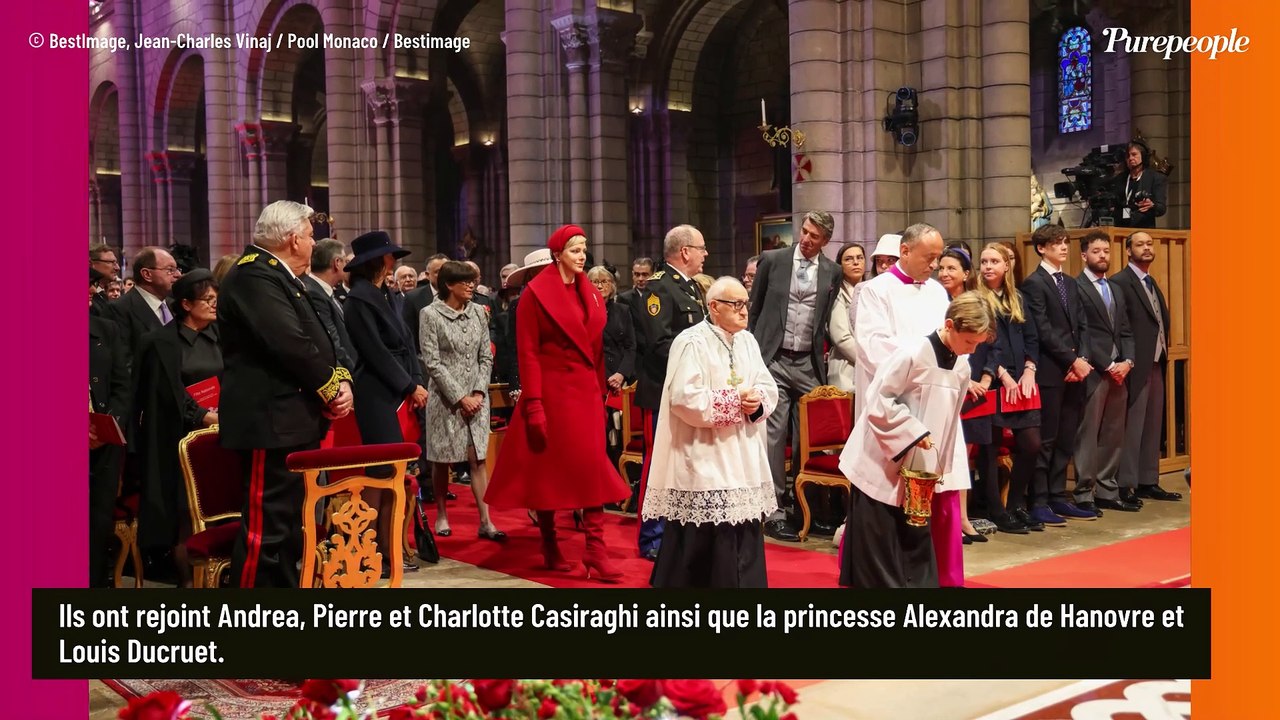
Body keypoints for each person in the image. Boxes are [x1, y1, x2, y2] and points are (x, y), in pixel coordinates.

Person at [485, 225, 631, 582]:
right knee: (546, 470)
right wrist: (533, 404)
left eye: (584, 249)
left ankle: (595, 549)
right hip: (550, 392)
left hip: (584, 393)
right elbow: (528, 353)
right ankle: (550, 542)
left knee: (591, 467)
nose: (582, 255)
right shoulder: (535, 295)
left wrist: (599, 393)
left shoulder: (592, 295)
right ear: (557, 254)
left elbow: (595, 349)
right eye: (574, 250)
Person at [219, 201, 354, 588]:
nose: (314, 244)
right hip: (269, 422)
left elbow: (323, 339)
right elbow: (289, 344)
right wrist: (330, 390)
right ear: (294, 239)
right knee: (268, 528)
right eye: (311, 236)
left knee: (290, 527)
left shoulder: (281, 276)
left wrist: (341, 381)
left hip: (292, 419)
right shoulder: (253, 276)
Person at [838, 292, 993, 588]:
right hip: (881, 461)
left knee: (916, 537)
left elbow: (949, 420)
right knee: (882, 542)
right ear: (950, 325)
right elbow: (878, 400)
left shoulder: (960, 366)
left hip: (919, 469)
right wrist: (913, 431)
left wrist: (937, 469)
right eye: (969, 342)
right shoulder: (912, 353)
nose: (971, 350)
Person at [851, 223, 970, 586]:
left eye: (938, 258)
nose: (935, 266)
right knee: (888, 495)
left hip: (939, 400)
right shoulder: (874, 290)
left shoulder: (937, 292)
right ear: (905, 252)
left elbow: (952, 341)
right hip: (895, 403)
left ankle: (934, 575)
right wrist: (923, 365)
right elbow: (872, 346)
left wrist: (948, 369)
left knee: (936, 486)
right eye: (928, 257)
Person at [644, 277, 779, 588]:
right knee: (704, 526)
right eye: (737, 304)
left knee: (743, 521)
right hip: (704, 450)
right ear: (715, 308)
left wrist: (756, 400)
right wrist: (734, 401)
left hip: (742, 451)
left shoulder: (747, 341)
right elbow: (682, 397)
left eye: (746, 304)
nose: (745, 311)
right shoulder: (691, 341)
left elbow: (767, 384)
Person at [748, 210, 840, 542]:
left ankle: (807, 508)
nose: (805, 239)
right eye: (804, 231)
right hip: (773, 357)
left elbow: (827, 317)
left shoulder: (833, 272)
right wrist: (752, 352)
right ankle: (774, 509)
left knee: (810, 437)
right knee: (774, 433)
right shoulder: (772, 260)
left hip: (808, 362)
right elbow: (754, 309)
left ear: (825, 241)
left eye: (814, 236)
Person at [342, 230, 430, 575]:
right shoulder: (359, 299)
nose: (395, 261)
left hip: (397, 388)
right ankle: (374, 552)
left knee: (395, 472)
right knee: (381, 472)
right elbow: (374, 352)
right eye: (391, 256)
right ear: (378, 261)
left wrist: (416, 382)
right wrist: (409, 385)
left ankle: (390, 547)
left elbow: (407, 344)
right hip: (376, 393)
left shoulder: (387, 295)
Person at [130, 269, 222, 585]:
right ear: (185, 304)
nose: (214, 304)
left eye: (215, 298)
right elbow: (166, 392)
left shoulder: (220, 334)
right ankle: (188, 583)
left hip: (221, 436)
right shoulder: (159, 342)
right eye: (207, 299)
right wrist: (202, 416)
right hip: (179, 438)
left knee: (222, 512)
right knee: (186, 515)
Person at [634, 225, 710, 559]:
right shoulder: (659, 288)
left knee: (684, 461)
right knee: (659, 462)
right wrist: (700, 363)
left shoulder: (690, 287)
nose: (706, 254)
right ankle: (652, 535)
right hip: (662, 391)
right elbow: (659, 343)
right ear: (685, 251)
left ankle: (679, 531)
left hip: (689, 389)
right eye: (702, 248)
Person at [419, 260, 504, 541]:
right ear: (448, 285)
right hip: (446, 399)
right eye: (465, 282)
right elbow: (432, 362)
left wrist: (479, 393)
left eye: (472, 281)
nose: (471, 286)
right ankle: (442, 514)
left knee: (478, 458)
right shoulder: (430, 314)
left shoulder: (479, 312)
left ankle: (486, 521)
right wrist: (460, 397)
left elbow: (485, 355)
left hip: (477, 399)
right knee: (442, 459)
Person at [1022, 225, 1095, 524]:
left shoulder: (1070, 281)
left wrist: (1084, 359)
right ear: (1042, 248)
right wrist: (1071, 361)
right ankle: (1038, 500)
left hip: (1075, 370)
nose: (1064, 247)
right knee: (1047, 438)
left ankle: (1056, 496)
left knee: (1067, 436)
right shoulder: (1033, 283)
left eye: (1065, 242)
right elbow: (1043, 330)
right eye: (1056, 243)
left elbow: (1083, 324)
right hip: (1052, 371)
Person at [974, 242, 1042, 534]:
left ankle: (1016, 504)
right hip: (992, 378)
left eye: (993, 261)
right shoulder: (977, 299)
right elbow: (984, 343)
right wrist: (1001, 374)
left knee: (1031, 444)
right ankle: (996, 509)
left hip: (1021, 380)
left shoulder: (1018, 298)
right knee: (988, 448)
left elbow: (1032, 338)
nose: (988, 266)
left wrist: (1029, 369)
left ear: (1006, 266)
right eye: (984, 262)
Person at [1111, 232, 1181, 502]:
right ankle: (1124, 483)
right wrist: (1124, 361)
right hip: (1134, 364)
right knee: (1132, 426)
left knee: (1153, 424)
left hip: (1156, 361)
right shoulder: (1120, 282)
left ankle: (1147, 479)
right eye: (1140, 244)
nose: (1146, 248)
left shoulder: (1151, 282)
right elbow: (1119, 327)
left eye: (1149, 244)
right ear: (1128, 251)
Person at [1074, 231, 1137, 514]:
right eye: (1096, 251)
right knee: (1088, 433)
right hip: (1096, 369)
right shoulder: (1076, 287)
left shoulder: (1116, 288)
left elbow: (1125, 330)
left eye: (1106, 251)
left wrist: (1128, 361)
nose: (1103, 256)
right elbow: (1082, 333)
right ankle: (1084, 492)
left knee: (1113, 432)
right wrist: (1108, 364)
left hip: (1119, 370)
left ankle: (1107, 489)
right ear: (1084, 255)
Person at [937, 244, 990, 545]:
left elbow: (986, 344)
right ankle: (950, 520)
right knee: (949, 453)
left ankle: (964, 519)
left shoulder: (974, 303)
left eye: (950, 268)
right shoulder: (935, 300)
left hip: (972, 384)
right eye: (940, 267)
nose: (944, 273)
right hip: (948, 384)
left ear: (966, 274)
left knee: (962, 455)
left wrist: (983, 376)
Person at [90, 267, 130, 587]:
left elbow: (122, 385)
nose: (91, 292)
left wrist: (107, 426)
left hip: (102, 442)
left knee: (98, 523)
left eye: (91, 285)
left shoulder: (106, 330)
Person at [106, 246, 180, 358]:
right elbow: (122, 360)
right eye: (170, 270)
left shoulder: (173, 305)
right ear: (147, 274)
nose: (178, 275)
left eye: (177, 269)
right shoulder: (119, 309)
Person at [303, 238, 357, 371]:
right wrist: (355, 374)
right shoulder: (314, 294)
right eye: (345, 260)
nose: (347, 265)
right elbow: (332, 344)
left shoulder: (323, 291)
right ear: (337, 263)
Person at [827, 242, 865, 392]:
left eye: (860, 258)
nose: (856, 262)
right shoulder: (837, 293)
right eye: (848, 259)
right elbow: (841, 338)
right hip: (847, 368)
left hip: (872, 367)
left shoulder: (872, 289)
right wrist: (869, 361)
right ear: (840, 265)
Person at [1112, 140, 1167, 229]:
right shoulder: (1119, 179)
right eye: (1128, 156)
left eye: (1134, 155)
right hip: (1120, 229)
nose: (1130, 158)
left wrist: (1152, 205)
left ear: (1143, 156)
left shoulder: (1155, 178)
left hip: (1144, 229)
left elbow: (1161, 208)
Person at [90, 243, 121, 316]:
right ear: (91, 264)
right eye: (111, 262)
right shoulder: (90, 299)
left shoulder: (103, 295)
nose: (117, 268)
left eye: (116, 262)